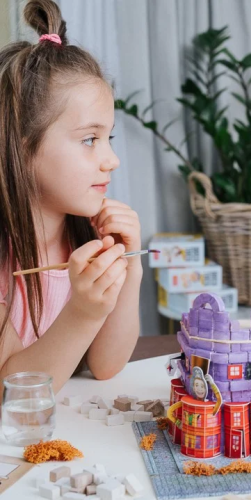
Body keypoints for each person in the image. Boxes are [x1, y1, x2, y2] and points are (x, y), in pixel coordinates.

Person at [0, 0, 142, 392]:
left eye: (108, 137)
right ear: (24, 148)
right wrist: (82, 312)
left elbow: (106, 366)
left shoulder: (89, 238)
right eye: (90, 139)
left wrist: (130, 268)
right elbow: (10, 392)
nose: (112, 160)